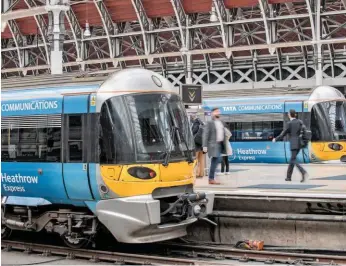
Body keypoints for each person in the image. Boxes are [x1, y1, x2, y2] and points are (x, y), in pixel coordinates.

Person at [272, 109, 308, 182]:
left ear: (289, 115)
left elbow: (283, 134)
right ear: (295, 114)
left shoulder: (290, 124)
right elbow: (305, 132)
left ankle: (303, 171)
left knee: (293, 160)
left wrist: (275, 139)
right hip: (300, 144)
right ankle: (288, 177)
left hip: (294, 144)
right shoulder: (300, 122)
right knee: (292, 160)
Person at [202, 107, 228, 185]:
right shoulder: (210, 122)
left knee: (216, 161)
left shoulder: (221, 122)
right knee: (215, 161)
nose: (218, 113)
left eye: (218, 111)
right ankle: (211, 178)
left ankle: (212, 177)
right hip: (213, 145)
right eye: (216, 111)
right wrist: (205, 146)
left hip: (220, 144)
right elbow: (205, 134)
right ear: (212, 113)